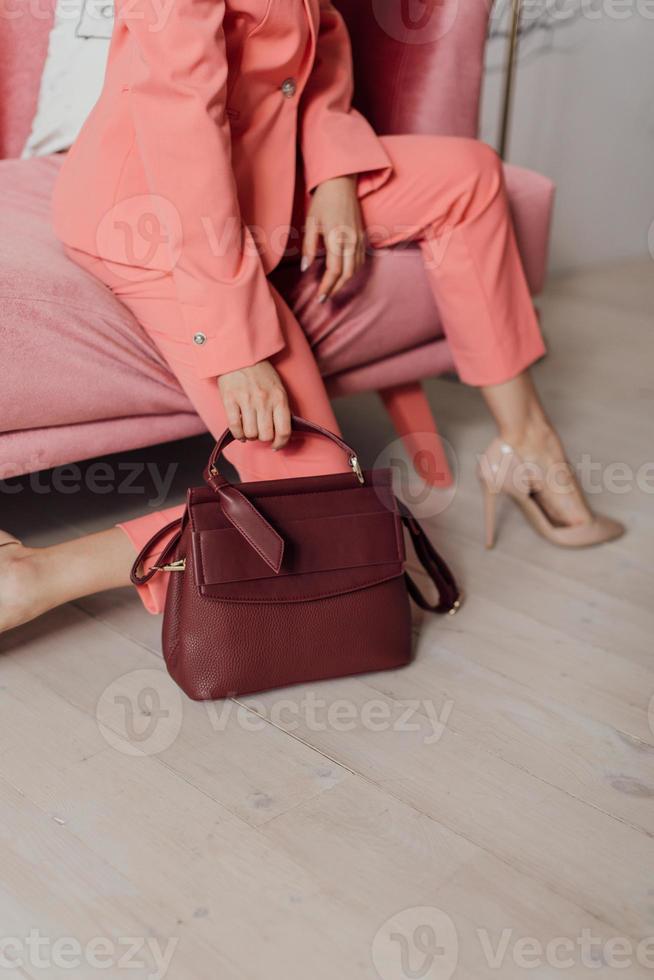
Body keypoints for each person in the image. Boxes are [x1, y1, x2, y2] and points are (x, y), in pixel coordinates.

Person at [0, 0, 622, 633]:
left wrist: (335, 175)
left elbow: (318, 36)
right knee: (324, 507)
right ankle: (43, 575)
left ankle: (528, 444)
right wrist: (237, 349)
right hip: (157, 216)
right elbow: (180, 135)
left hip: (263, 176)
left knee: (470, 178)